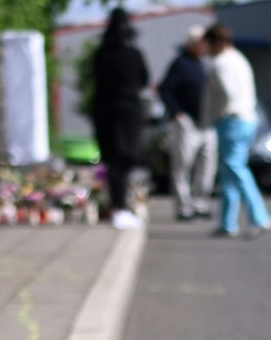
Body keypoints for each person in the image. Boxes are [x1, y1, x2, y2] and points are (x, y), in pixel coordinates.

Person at [201, 24, 271, 239]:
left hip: (231, 120)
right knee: (229, 171)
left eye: (208, 45)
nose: (207, 50)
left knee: (235, 166)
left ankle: (260, 217)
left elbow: (227, 92)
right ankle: (227, 223)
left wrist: (217, 114)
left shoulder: (220, 63)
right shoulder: (239, 58)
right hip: (248, 118)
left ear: (215, 43)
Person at [91, 11, 150, 230]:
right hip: (129, 111)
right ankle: (121, 208)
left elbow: (95, 80)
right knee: (125, 161)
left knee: (113, 161)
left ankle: (119, 206)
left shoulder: (101, 54)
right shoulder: (134, 54)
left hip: (106, 110)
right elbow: (144, 80)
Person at [157, 27, 217, 222]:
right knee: (182, 166)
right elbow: (165, 90)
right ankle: (184, 207)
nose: (205, 47)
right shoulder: (180, 64)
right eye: (201, 43)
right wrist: (177, 113)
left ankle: (200, 203)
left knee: (207, 166)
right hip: (187, 123)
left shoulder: (206, 64)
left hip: (206, 122)